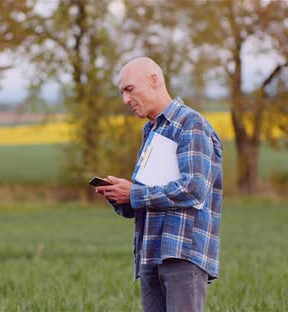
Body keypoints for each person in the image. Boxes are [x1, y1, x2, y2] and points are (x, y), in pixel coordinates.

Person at [95, 57, 223, 312]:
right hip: (150, 252)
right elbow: (145, 197)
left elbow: (193, 189)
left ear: (154, 80)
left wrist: (134, 194)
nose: (125, 100)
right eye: (121, 92)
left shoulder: (190, 124)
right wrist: (120, 196)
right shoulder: (151, 130)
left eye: (129, 89)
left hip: (182, 252)